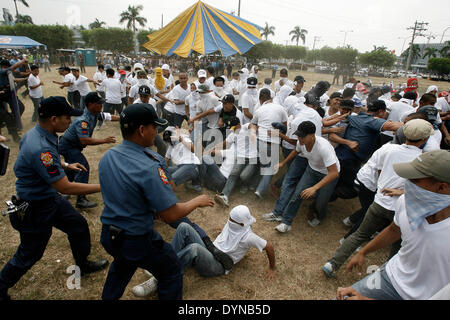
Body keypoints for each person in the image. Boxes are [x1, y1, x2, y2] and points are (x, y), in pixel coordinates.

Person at [98, 103, 214, 300]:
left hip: (109, 234)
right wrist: (196, 201)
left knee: (122, 265)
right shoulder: (149, 165)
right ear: (142, 130)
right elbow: (170, 214)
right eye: (155, 127)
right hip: (136, 238)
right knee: (171, 270)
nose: (157, 132)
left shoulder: (108, 156)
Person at [0, 97, 109, 301]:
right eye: (67, 118)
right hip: (35, 205)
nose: (70, 122)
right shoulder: (40, 146)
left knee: (77, 225)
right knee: (29, 253)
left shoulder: (41, 133)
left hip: (48, 198)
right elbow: (64, 186)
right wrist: (104, 187)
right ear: (53, 119)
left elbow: (49, 163)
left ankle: (82, 263)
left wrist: (66, 166)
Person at [322, 119, 435, 278]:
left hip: (380, 201)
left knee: (359, 235)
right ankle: (389, 277)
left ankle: (332, 264)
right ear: (424, 139)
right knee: (398, 245)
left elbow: (379, 170)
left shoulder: (388, 148)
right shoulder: (424, 160)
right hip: (401, 208)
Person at [336, 150, 450, 300]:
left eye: (415, 180)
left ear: (442, 187)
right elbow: (394, 230)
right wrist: (363, 252)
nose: (406, 184)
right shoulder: (406, 202)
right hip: (389, 277)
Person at [132, 205, 276, 297]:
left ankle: (159, 277)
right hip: (211, 250)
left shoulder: (249, 237)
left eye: (233, 221)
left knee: (194, 249)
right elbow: (230, 226)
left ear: (242, 223)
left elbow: (269, 246)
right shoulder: (234, 221)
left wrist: (272, 267)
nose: (229, 222)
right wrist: (223, 230)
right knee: (184, 227)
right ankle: (164, 263)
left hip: (219, 265)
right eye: (229, 219)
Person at [264, 121, 340, 232]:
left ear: (312, 135)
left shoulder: (323, 147)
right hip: (311, 170)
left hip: (328, 175)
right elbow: (296, 151)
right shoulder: (301, 142)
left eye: (302, 136)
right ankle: (286, 222)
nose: (299, 138)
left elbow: (334, 173)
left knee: (321, 202)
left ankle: (319, 216)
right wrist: (283, 163)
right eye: (298, 135)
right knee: (298, 194)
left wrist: (314, 188)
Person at [331, 100, 403, 200]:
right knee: (352, 188)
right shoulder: (373, 121)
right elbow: (396, 126)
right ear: (381, 111)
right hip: (349, 160)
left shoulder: (357, 117)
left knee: (335, 181)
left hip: (342, 156)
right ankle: (326, 199)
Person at [58, 92, 119, 209]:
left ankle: (63, 190)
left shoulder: (94, 113)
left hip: (71, 146)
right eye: (99, 104)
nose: (101, 106)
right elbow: (85, 140)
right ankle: (81, 199)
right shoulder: (83, 120)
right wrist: (104, 140)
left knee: (71, 169)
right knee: (83, 167)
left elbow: (109, 117)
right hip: (68, 146)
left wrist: (125, 118)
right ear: (90, 104)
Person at [250, 89, 288, 198]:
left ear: (260, 100)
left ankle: (253, 185)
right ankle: (259, 190)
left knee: (261, 164)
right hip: (273, 143)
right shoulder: (281, 108)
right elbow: (286, 126)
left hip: (259, 141)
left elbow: (253, 124)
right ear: (271, 98)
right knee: (271, 168)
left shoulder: (259, 109)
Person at [164, 127, 202, 192]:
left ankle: (164, 196)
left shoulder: (184, 138)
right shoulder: (172, 144)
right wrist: (166, 170)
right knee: (161, 171)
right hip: (180, 167)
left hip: (191, 166)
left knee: (172, 179)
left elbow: (193, 149)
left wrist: (181, 140)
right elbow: (166, 159)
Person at [0, 58, 28, 142]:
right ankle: (12, 133)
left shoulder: (6, 73)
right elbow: (13, 68)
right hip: (1, 94)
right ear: (4, 67)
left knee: (20, 107)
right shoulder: (2, 71)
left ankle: (12, 122)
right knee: (5, 116)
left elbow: (13, 79)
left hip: (8, 92)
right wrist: (23, 61)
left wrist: (25, 79)